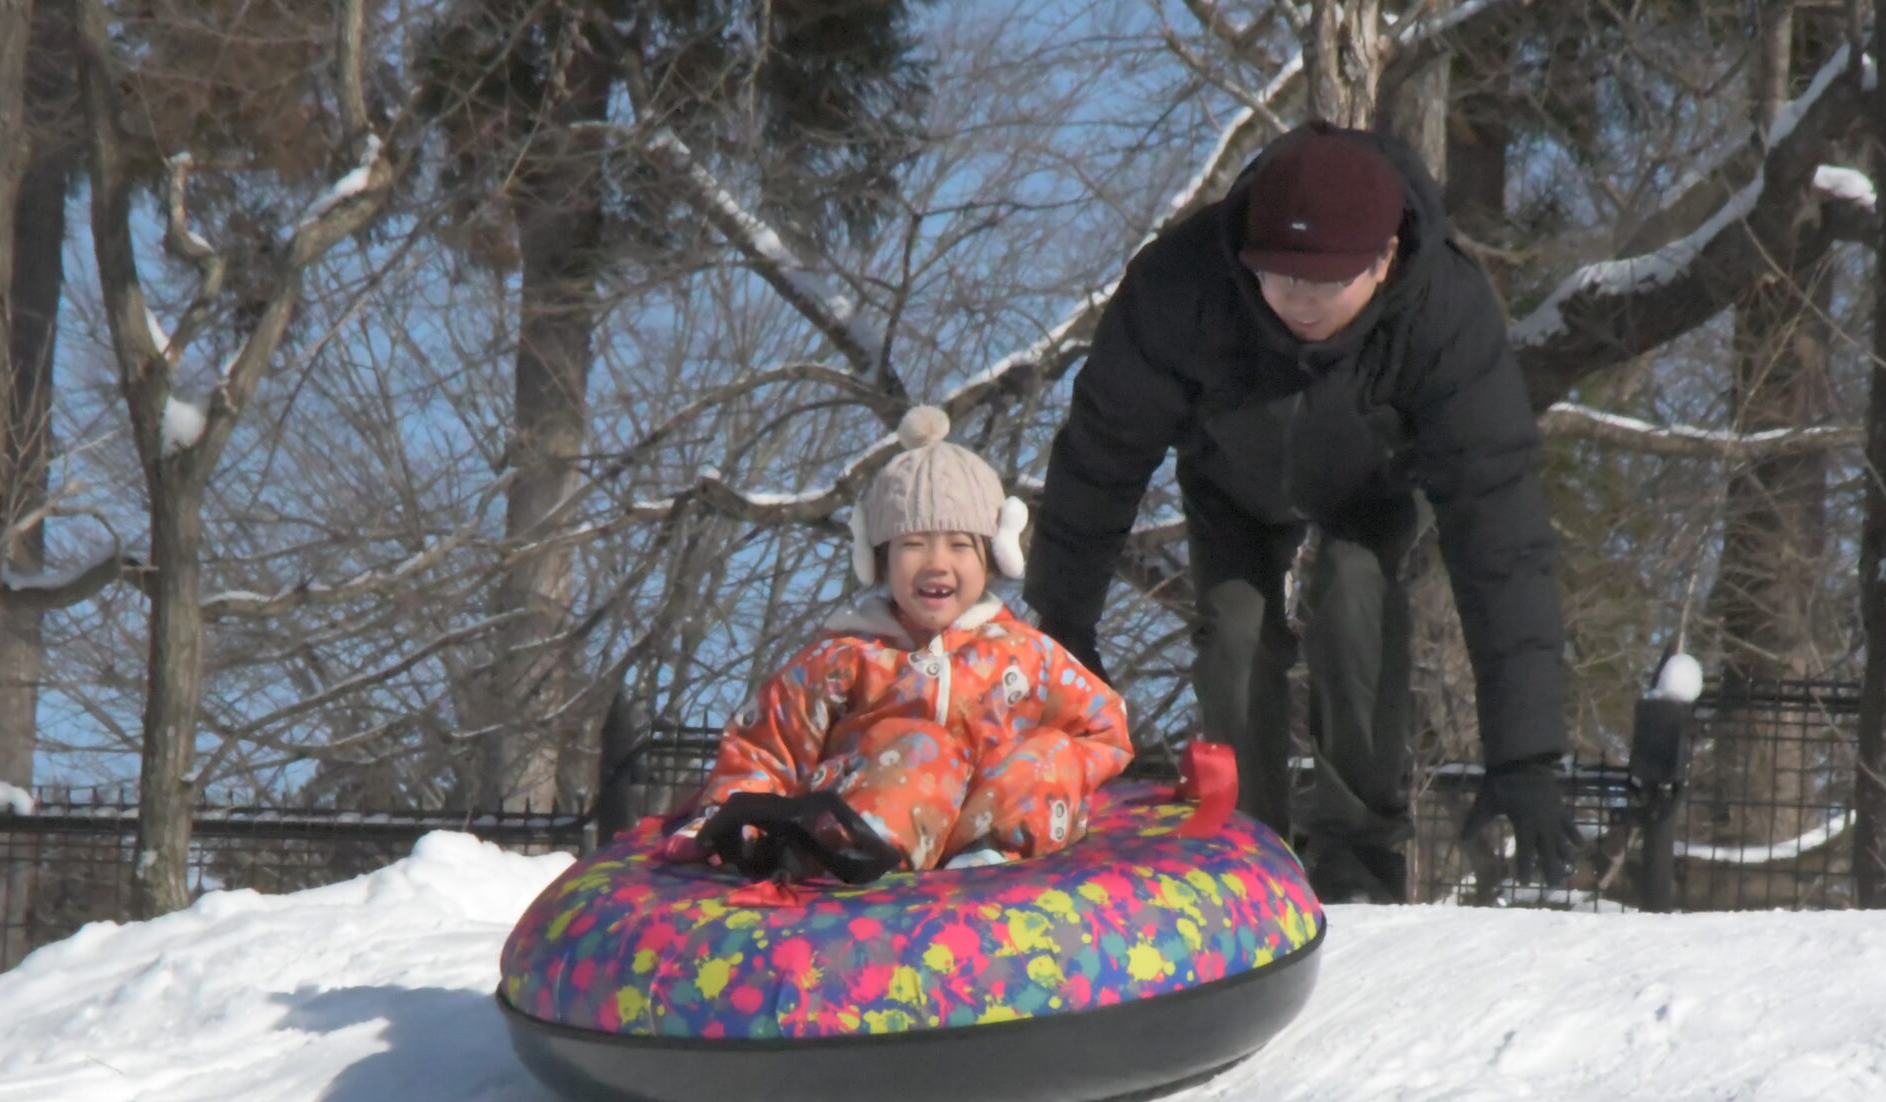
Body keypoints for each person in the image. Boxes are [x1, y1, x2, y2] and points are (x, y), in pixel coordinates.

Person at [1023, 121, 1579, 902]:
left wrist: (1524, 755)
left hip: (1368, 483)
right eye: (1279, 279)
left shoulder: (1445, 313)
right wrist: (1065, 621)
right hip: (1231, 480)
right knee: (1235, 632)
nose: (1299, 303)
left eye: (1324, 285)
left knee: (1355, 599)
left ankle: (1357, 862)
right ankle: (1243, 853)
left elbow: (1501, 532)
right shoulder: (1183, 285)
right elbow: (1099, 457)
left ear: (1384, 262)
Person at [665, 406, 1132, 873]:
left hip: (992, 841)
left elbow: (1103, 726)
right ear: (882, 560)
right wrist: (723, 817)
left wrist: (1055, 782)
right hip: (872, 835)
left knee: (1049, 750)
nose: (936, 562)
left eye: (959, 545)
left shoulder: (1026, 654)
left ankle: (984, 856)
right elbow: (765, 743)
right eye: (913, 545)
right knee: (917, 745)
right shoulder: (847, 657)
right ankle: (849, 856)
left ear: (991, 558)